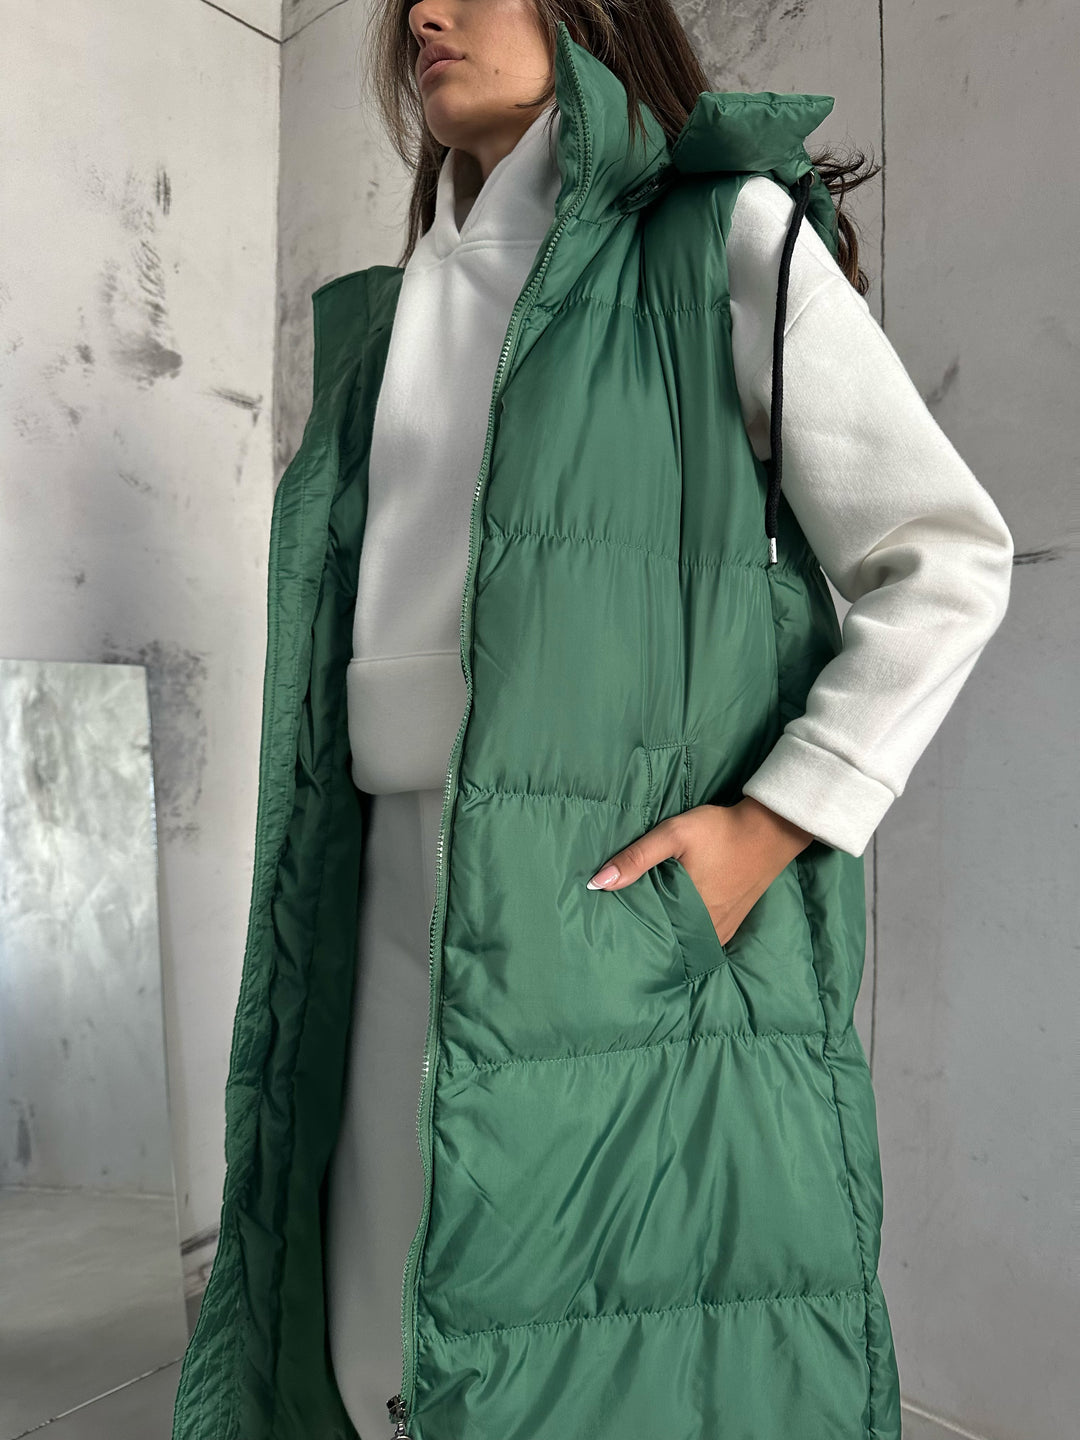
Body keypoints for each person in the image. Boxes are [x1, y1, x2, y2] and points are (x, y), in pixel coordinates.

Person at [170, 4, 1014, 1439]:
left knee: (596, 1359)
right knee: (377, 1337)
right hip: (379, 896)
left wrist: (772, 826)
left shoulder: (718, 239)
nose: (423, 14)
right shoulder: (392, 318)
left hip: (605, 917)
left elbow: (944, 559)